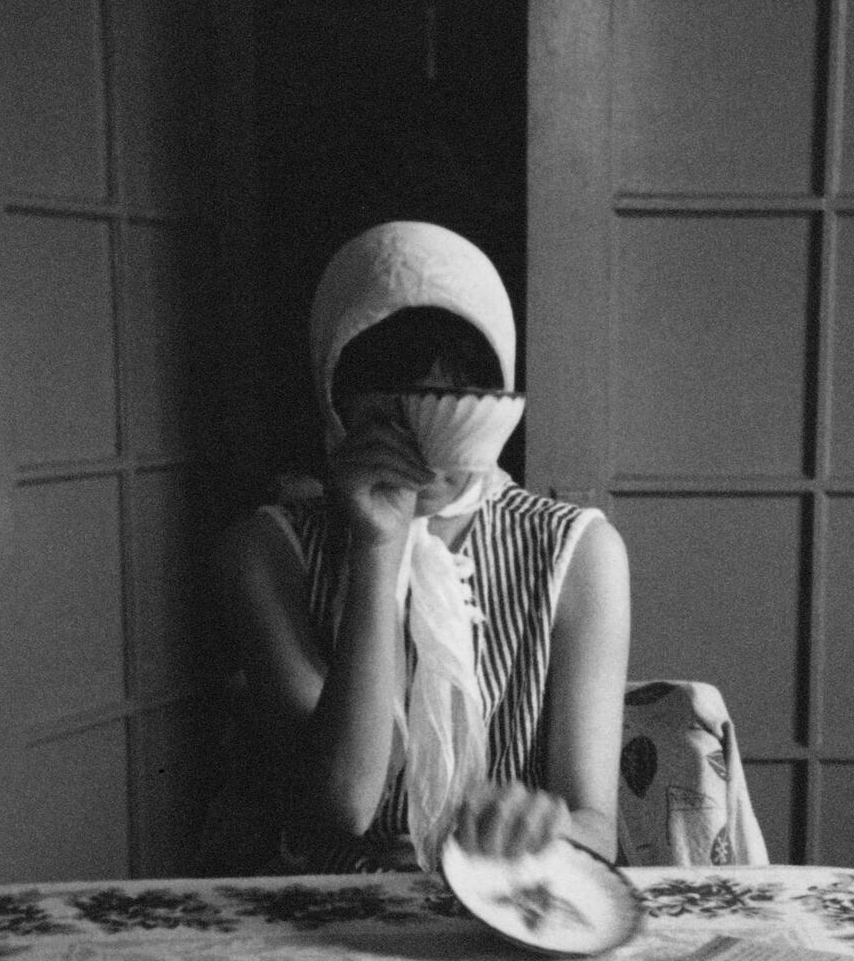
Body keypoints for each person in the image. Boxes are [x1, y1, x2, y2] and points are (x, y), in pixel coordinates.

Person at [216, 221, 631, 873]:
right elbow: (345, 806)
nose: (427, 451)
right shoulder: (267, 551)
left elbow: (597, 829)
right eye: (398, 405)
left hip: (512, 903)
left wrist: (549, 832)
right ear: (336, 400)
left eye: (457, 399)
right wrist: (378, 544)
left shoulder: (576, 553)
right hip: (332, 919)